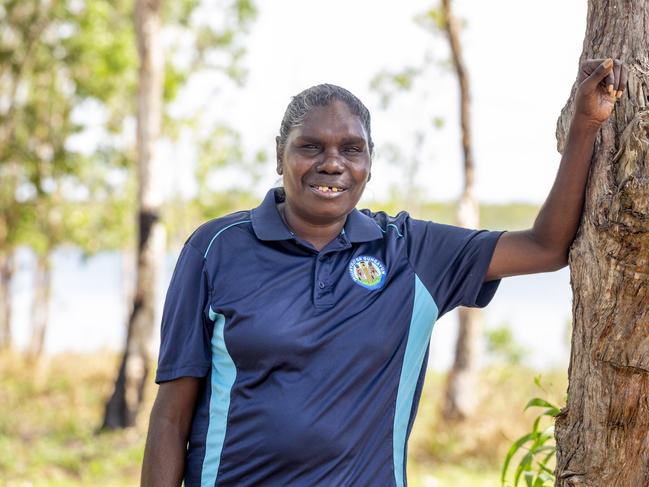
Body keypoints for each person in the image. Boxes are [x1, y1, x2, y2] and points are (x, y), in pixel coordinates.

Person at [141, 58, 627, 487]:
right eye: (311, 147)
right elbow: (170, 416)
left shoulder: (411, 251)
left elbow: (545, 246)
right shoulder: (216, 248)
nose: (332, 164)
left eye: (351, 149)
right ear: (279, 155)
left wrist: (585, 124)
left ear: (369, 163)